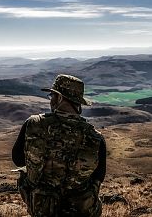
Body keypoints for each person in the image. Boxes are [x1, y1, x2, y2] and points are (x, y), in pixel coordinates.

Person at [12, 74, 106, 217]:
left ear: (60, 98)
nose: (51, 101)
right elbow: (98, 177)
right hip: (80, 211)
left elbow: (18, 159)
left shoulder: (33, 124)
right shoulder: (96, 137)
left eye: (52, 96)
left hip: (41, 208)